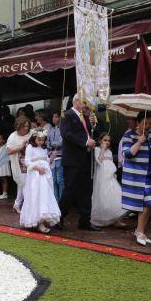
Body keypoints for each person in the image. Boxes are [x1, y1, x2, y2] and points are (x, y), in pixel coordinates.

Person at [121, 112, 151, 245]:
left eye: (150, 123)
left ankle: (140, 230)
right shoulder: (128, 134)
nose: (148, 126)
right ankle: (139, 231)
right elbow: (127, 154)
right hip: (137, 175)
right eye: (145, 123)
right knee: (145, 203)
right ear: (138, 122)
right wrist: (139, 141)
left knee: (150, 203)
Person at [59, 94, 98, 231]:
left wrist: (93, 126)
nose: (86, 104)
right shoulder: (67, 115)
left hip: (86, 158)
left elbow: (89, 133)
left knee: (86, 190)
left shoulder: (86, 116)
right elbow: (66, 134)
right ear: (76, 101)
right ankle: (59, 218)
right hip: (73, 160)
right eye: (84, 101)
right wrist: (85, 142)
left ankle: (85, 221)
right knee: (70, 190)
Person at [20, 130, 61, 233]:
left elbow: (45, 161)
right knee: (36, 195)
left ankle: (42, 219)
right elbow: (27, 161)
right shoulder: (30, 147)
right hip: (35, 176)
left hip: (45, 176)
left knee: (44, 195)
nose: (41, 142)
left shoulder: (43, 149)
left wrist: (51, 158)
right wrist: (37, 167)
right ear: (34, 139)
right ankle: (36, 221)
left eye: (43, 140)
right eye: (39, 140)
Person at [91, 134, 125, 228]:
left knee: (117, 195)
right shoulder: (97, 150)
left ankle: (116, 219)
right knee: (103, 198)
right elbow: (100, 161)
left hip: (111, 177)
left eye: (108, 141)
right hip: (102, 178)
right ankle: (103, 219)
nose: (107, 142)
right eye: (105, 140)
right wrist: (102, 149)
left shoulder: (109, 152)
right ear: (100, 141)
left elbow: (111, 163)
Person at [6, 117, 31, 212]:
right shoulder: (12, 136)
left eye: (27, 126)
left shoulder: (31, 133)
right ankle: (25, 205)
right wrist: (21, 146)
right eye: (24, 126)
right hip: (18, 164)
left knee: (23, 184)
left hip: (30, 163)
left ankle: (18, 204)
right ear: (18, 126)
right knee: (23, 183)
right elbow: (9, 151)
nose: (26, 128)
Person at [47, 112, 64, 203]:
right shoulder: (51, 129)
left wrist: (52, 144)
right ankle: (55, 201)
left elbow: (61, 143)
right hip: (51, 156)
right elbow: (47, 142)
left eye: (56, 117)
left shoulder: (62, 129)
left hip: (60, 156)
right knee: (53, 180)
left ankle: (61, 201)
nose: (54, 119)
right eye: (53, 117)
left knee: (59, 179)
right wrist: (51, 148)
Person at [0, 134, 11, 199]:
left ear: (3, 140)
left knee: (4, 178)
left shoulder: (5, 146)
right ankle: (4, 193)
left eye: (0, 138)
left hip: (4, 165)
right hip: (0, 165)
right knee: (2, 179)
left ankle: (5, 193)